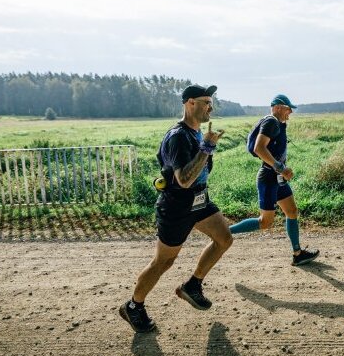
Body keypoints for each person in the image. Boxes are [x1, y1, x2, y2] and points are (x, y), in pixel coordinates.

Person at [119, 84, 233, 333]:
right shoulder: (178, 136)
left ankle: (192, 285)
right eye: (206, 102)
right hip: (177, 206)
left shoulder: (196, 133)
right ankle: (133, 306)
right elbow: (183, 180)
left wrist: (205, 145)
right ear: (190, 103)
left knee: (224, 238)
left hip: (199, 200)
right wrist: (208, 147)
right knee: (163, 262)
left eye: (211, 102)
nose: (210, 107)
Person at [230, 94, 319, 266]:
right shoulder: (271, 122)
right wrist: (281, 168)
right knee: (265, 222)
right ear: (277, 107)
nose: (290, 112)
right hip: (269, 178)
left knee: (291, 211)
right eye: (288, 108)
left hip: (278, 178)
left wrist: (281, 170)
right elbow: (259, 148)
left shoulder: (277, 123)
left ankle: (298, 253)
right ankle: (225, 232)